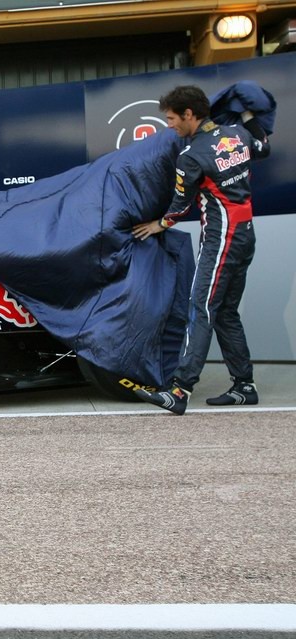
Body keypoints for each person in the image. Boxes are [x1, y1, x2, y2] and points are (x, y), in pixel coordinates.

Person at [131, 85, 270, 415]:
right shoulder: (236, 134)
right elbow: (263, 147)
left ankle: (179, 390)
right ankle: (244, 386)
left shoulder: (190, 156)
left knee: (201, 308)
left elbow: (180, 207)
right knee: (225, 312)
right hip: (245, 235)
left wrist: (158, 225)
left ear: (189, 115)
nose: (169, 126)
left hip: (221, 239)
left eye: (171, 119)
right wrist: (248, 115)